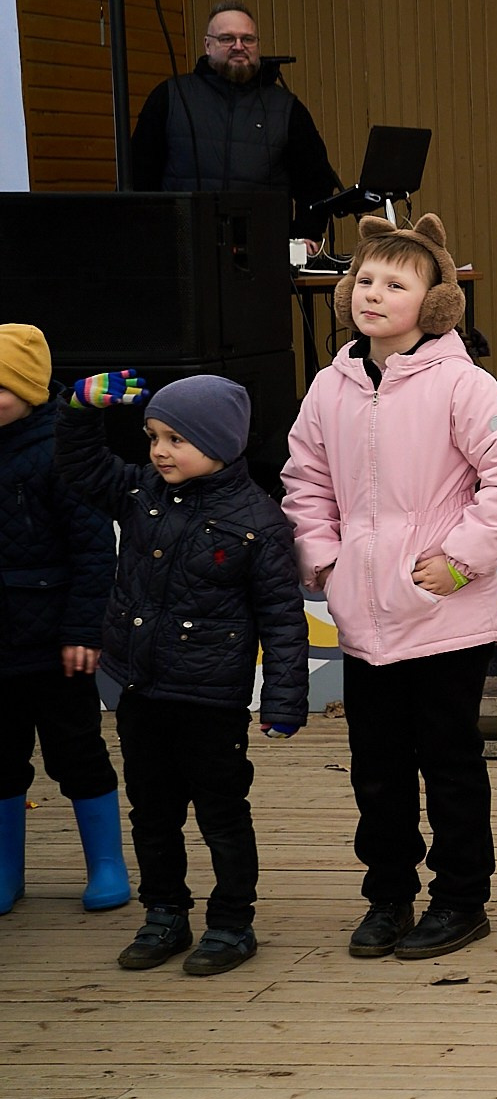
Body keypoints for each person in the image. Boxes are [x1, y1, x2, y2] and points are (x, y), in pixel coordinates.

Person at [282, 215, 497, 963]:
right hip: (365, 617)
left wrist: (460, 559)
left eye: (395, 283)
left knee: (449, 759)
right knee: (378, 765)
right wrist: (325, 558)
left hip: (443, 614)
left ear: (434, 304)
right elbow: (304, 480)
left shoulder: (463, 383)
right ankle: (388, 892)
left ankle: (462, 896)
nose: (373, 293)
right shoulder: (329, 386)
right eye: (364, 279)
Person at [57, 371, 308, 976]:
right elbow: (82, 468)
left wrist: (283, 699)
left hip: (210, 699)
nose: (160, 451)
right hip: (141, 688)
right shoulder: (141, 492)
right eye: (152, 437)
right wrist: (79, 409)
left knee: (221, 810)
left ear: (220, 443)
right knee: (152, 809)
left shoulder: (259, 521)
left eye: (176, 439)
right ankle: (164, 912)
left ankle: (231, 922)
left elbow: (281, 618)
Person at [0, 325, 125, 918]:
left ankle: (106, 864)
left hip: (55, 644)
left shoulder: (57, 453)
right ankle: (7, 869)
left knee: (74, 751)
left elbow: (96, 550)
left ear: (26, 389)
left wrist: (82, 631)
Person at [130, 2, 342, 238]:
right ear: (208, 45)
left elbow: (315, 182)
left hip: (264, 253)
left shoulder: (286, 107)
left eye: (248, 39)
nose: (239, 46)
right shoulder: (171, 97)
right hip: (183, 250)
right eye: (227, 38)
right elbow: (139, 176)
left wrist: (306, 235)